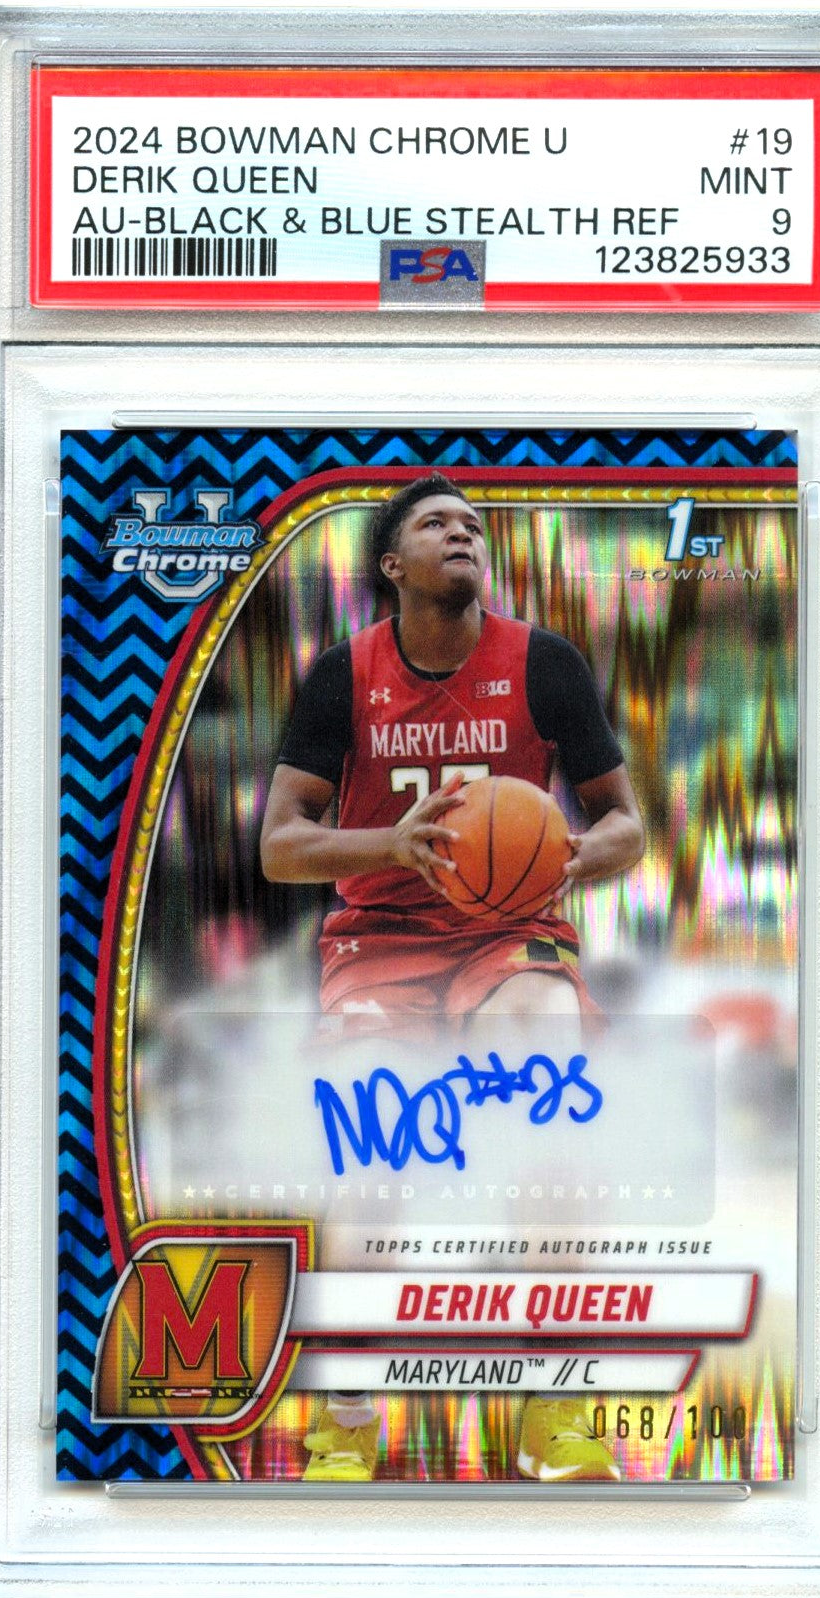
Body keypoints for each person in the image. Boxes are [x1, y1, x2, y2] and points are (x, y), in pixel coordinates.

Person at [261, 474, 645, 1482]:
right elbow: (279, 845)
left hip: (509, 930)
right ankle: (349, 1418)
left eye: (473, 524)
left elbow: (626, 822)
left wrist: (570, 854)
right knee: (373, 1147)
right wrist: (389, 842)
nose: (463, 532)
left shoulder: (544, 662)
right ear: (392, 563)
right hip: (379, 938)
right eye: (436, 523)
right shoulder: (342, 675)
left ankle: (555, 1407)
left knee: (547, 1088)